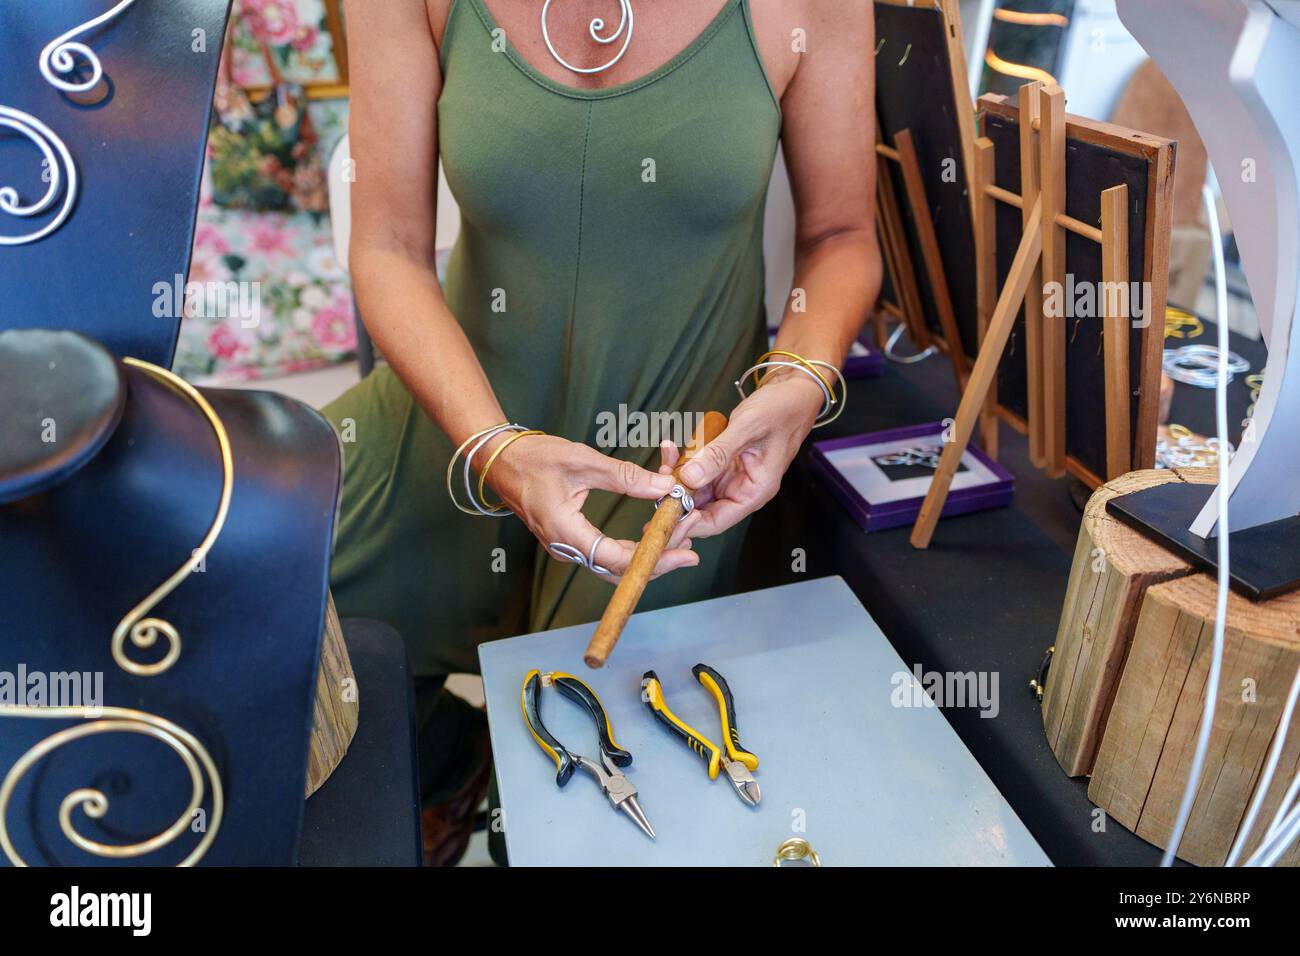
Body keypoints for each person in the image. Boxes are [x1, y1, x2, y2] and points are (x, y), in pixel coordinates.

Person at [330, 0, 880, 863]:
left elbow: (842, 235)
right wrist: (496, 449)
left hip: (667, 475)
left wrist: (803, 377)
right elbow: (389, 244)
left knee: (574, 826)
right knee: (237, 598)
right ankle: (442, 764)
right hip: (458, 424)